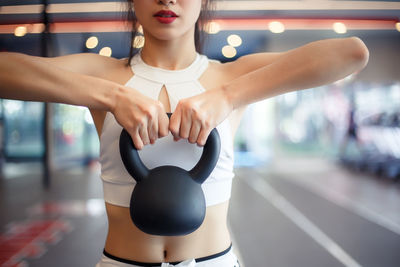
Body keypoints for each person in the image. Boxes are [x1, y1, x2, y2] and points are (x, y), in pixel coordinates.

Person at [0, 0, 369, 266]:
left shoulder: (230, 78)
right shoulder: (104, 76)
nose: (167, 0)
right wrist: (111, 96)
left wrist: (228, 96)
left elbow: (352, 53)